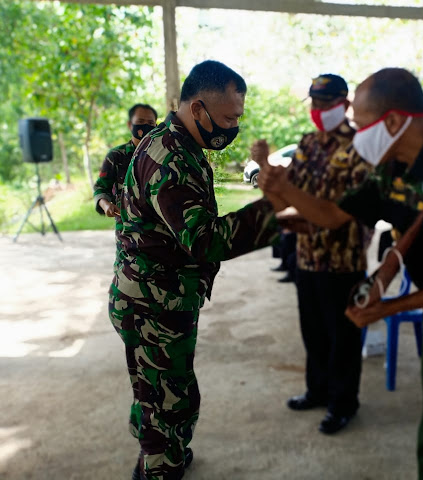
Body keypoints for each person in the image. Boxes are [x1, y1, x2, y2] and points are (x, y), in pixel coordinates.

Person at [258, 67, 423, 479]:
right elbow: (334, 216)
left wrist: (390, 306)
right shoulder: (394, 170)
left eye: (361, 125)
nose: (358, 135)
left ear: (393, 121)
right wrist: (283, 187)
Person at [109, 60, 283, 480]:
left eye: (238, 118)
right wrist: (278, 213)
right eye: (228, 118)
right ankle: (158, 468)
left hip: (163, 296)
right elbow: (204, 239)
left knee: (160, 392)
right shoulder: (169, 157)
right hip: (152, 305)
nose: (233, 127)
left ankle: (157, 455)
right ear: (198, 108)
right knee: (167, 404)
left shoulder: (180, 145)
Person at [281, 74, 372, 434]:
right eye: (315, 104)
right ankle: (317, 390)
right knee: (313, 330)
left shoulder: (361, 145)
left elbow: (348, 207)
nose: (319, 111)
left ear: (345, 105)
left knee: (343, 337)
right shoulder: (307, 143)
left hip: (344, 258)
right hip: (307, 254)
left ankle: (343, 403)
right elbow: (294, 190)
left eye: (327, 103)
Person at [94, 103, 158, 221]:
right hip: (129, 232)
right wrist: (105, 205)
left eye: (150, 123)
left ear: (156, 125)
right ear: (130, 124)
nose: (145, 126)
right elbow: (101, 187)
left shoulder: (163, 154)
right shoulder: (116, 156)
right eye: (140, 122)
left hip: (163, 232)